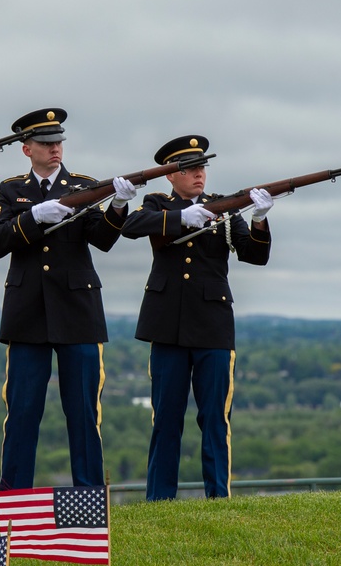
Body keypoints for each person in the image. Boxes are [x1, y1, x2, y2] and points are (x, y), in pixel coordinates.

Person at [0, 107, 138, 491]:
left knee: (83, 412)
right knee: (21, 411)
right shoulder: (12, 190)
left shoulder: (83, 186)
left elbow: (102, 239)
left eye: (58, 142)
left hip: (77, 311)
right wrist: (34, 217)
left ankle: (88, 494)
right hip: (27, 313)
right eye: (46, 143)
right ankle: (15, 497)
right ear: (27, 149)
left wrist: (118, 206)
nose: (55, 149)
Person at [121, 135, 274, 500]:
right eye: (189, 169)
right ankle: (159, 499)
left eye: (202, 167)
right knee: (166, 420)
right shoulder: (157, 203)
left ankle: (219, 497)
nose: (198, 175)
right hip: (167, 325)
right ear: (171, 175)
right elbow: (131, 226)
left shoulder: (222, 207)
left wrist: (259, 219)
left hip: (212, 324)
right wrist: (179, 218)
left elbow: (254, 255)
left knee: (215, 421)